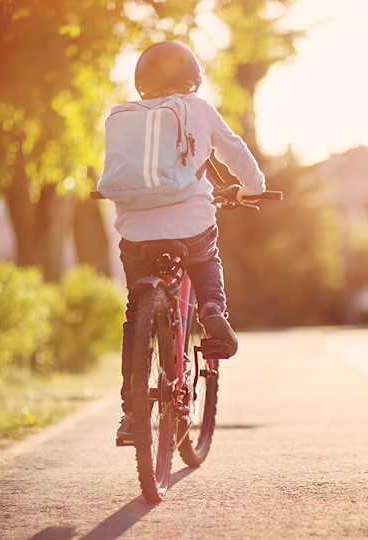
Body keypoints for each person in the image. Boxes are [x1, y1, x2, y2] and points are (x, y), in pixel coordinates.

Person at [105, 41, 265, 441]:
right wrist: (253, 188)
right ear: (192, 78)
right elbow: (235, 151)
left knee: (134, 311)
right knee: (205, 255)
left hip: (135, 231)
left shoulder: (125, 116)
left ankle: (131, 414)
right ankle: (211, 309)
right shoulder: (198, 109)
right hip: (189, 225)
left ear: (142, 80)